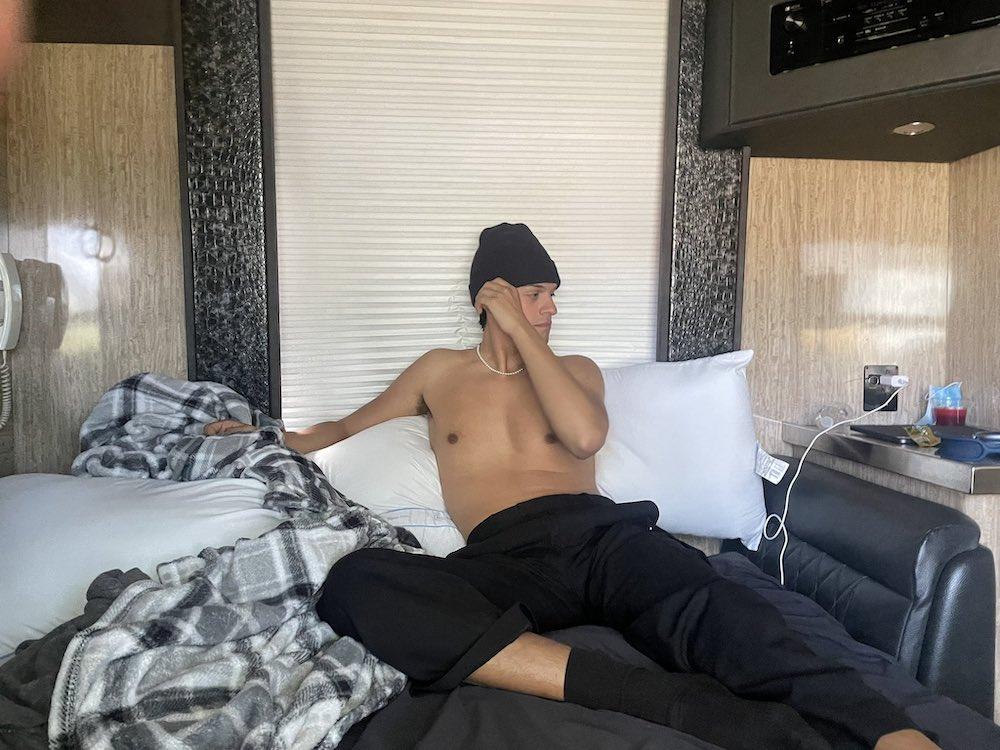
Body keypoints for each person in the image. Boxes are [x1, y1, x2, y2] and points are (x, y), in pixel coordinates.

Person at [207, 223, 938, 750]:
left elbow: (585, 438)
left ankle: (887, 731)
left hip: (604, 536)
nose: (551, 308)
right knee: (357, 583)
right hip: (503, 555)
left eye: (552, 295)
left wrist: (523, 333)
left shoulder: (576, 370)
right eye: (534, 294)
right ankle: (658, 699)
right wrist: (265, 433)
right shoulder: (438, 372)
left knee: (724, 608)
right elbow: (341, 428)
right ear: (490, 299)